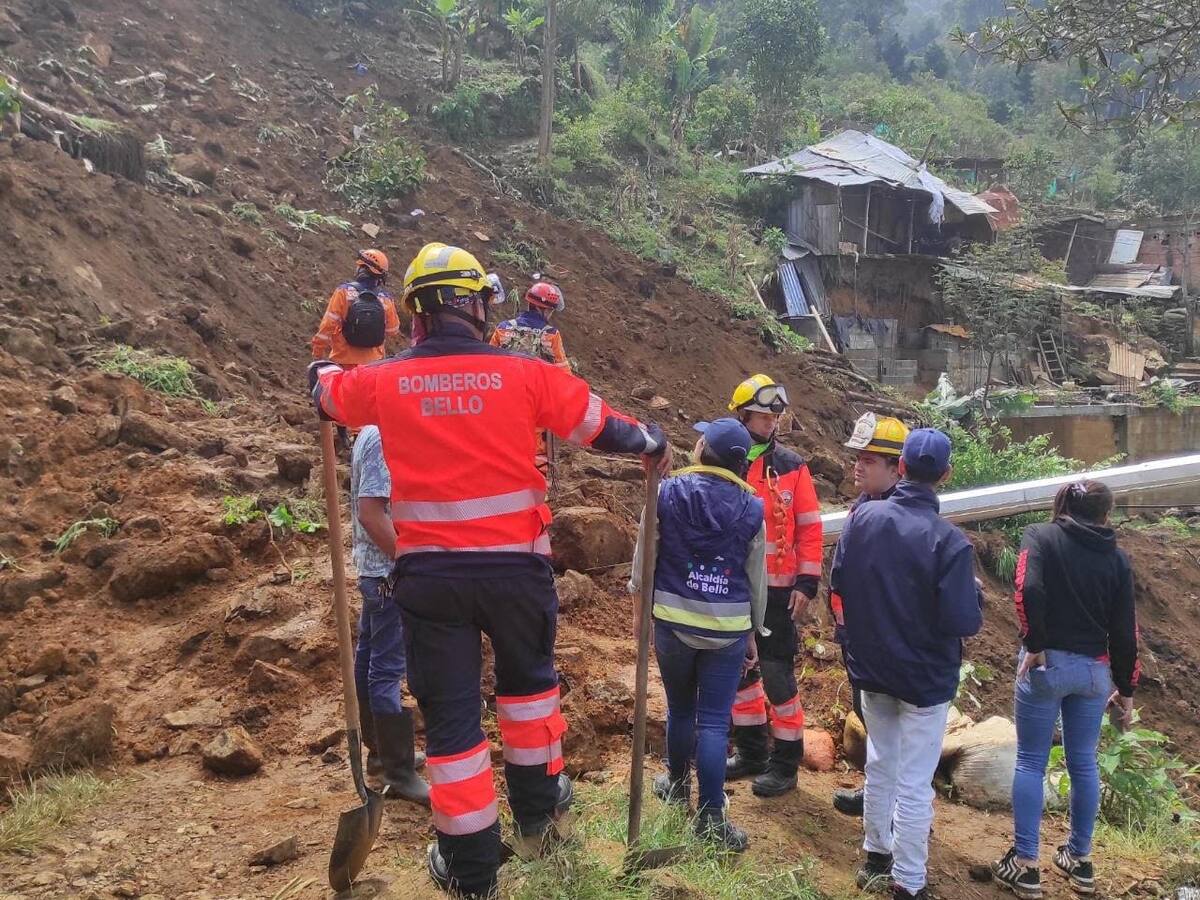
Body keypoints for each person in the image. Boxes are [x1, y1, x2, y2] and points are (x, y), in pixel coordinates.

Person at [311, 242, 670, 899]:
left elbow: (329, 393)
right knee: (530, 700)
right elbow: (600, 425)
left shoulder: (387, 380)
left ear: (415, 314)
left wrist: (323, 362)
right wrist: (652, 442)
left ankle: (471, 873)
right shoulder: (525, 373)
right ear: (476, 307)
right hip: (515, 574)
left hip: (431, 582)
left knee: (452, 725)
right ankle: (538, 826)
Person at [831, 428, 983, 900]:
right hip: (924, 680)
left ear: (900, 467)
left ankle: (876, 858)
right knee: (915, 783)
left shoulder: (861, 519)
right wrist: (972, 595)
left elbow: (839, 584)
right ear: (946, 474)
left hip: (872, 670)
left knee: (880, 763)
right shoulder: (950, 542)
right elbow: (962, 621)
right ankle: (909, 881)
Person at [990, 480, 1139, 900]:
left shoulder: (1040, 536)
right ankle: (1080, 859)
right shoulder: (1117, 558)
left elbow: (1027, 588)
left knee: (1031, 761)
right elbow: (1126, 628)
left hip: (1047, 665)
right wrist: (1126, 688)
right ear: (1106, 514)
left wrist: (1035, 643)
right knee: (1084, 763)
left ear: (1065, 505)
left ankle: (1026, 866)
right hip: (1093, 673)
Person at [629, 417, 767, 852]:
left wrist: (640, 615)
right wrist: (753, 630)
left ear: (704, 450)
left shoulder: (667, 492)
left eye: (701, 439)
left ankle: (676, 785)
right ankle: (710, 818)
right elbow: (755, 578)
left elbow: (644, 557)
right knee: (713, 722)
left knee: (681, 710)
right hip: (727, 631)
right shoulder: (752, 507)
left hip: (673, 624)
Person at [724, 374, 822, 798]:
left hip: (779, 594)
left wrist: (807, 582)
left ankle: (785, 763)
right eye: (764, 416)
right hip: (733, 588)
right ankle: (751, 753)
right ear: (743, 415)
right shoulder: (725, 458)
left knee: (778, 677)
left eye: (775, 416)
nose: (772, 422)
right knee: (740, 673)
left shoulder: (792, 466)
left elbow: (810, 527)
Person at [830, 412, 910, 818]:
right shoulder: (866, 506)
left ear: (898, 468)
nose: (857, 466)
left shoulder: (902, 521)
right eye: (857, 458)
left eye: (868, 460)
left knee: (895, 728)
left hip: (887, 644)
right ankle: (879, 794)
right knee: (872, 721)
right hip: (860, 642)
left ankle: (899, 810)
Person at [350, 425, 430, 805]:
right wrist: (407, 561)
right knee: (385, 669)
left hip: (375, 571)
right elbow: (371, 513)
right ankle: (398, 771)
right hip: (388, 574)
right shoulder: (385, 436)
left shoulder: (369, 431)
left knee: (369, 657)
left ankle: (381, 754)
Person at [310, 249, 401, 448]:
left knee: (345, 400)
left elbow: (328, 325)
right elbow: (393, 330)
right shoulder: (385, 298)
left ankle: (346, 436)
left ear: (361, 268)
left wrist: (318, 350)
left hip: (344, 358)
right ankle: (366, 440)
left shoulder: (344, 292)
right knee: (368, 403)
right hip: (373, 362)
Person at [490, 280, 570, 480]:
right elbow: (564, 375)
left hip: (503, 405)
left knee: (502, 453)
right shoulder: (551, 335)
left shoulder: (503, 329)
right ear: (546, 310)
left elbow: (487, 365)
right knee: (537, 457)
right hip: (536, 407)